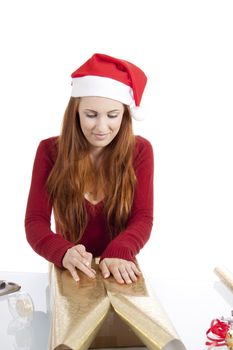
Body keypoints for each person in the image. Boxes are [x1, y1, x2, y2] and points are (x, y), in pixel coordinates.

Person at [25, 53, 154, 285]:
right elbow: (35, 222)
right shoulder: (49, 151)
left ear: (125, 115)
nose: (101, 127)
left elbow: (142, 218)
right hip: (70, 272)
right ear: (76, 112)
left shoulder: (140, 151)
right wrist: (63, 252)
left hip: (120, 270)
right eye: (91, 115)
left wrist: (119, 250)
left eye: (112, 115)